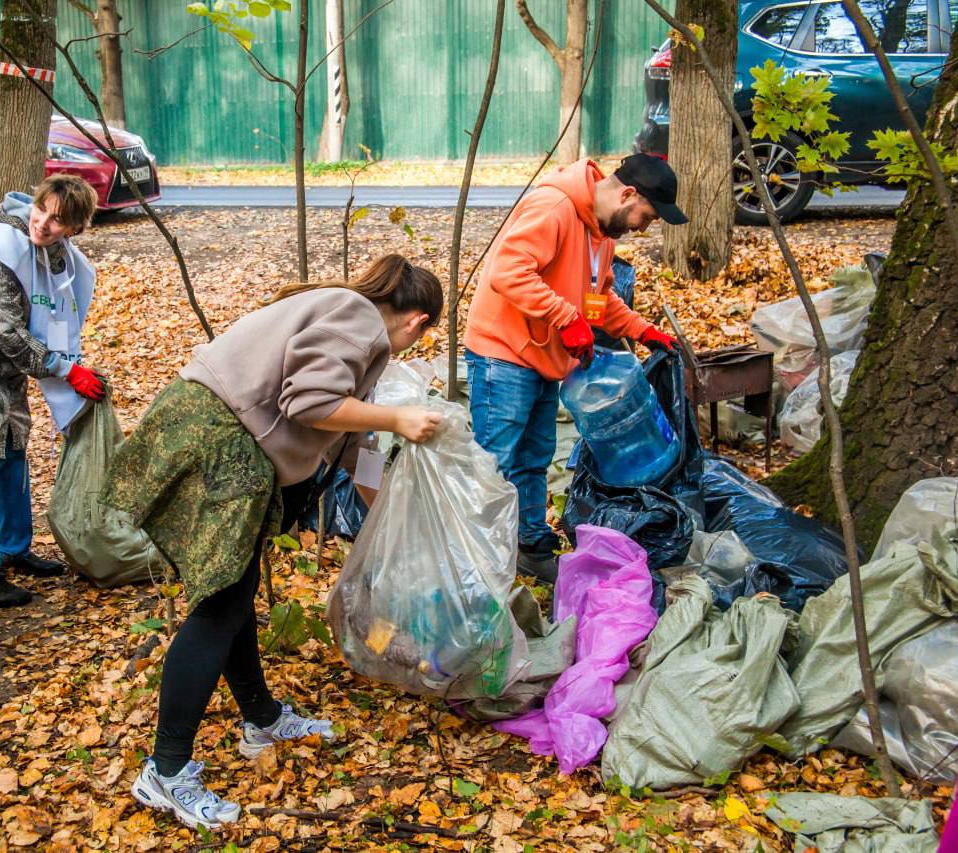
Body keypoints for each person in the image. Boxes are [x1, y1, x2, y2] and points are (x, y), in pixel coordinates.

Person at [109, 254, 444, 830]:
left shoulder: (350, 327)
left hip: (224, 443)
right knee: (221, 606)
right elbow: (309, 403)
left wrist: (388, 522)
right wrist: (400, 418)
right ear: (418, 322)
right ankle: (165, 772)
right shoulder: (356, 316)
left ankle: (260, 717)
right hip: (217, 441)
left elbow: (351, 441)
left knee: (231, 599)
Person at [463, 153, 687, 579]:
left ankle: (529, 546)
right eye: (648, 215)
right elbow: (508, 272)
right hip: (503, 351)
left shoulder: (602, 231)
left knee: (534, 458)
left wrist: (642, 331)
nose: (645, 226)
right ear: (628, 194)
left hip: (546, 357)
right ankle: (480, 563)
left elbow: (597, 300)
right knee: (497, 461)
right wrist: (565, 318)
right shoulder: (554, 207)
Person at [0, 175, 107, 608]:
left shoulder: (56, 253)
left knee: (13, 448)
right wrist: (64, 371)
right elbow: (9, 332)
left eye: (58, 221)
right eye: (42, 211)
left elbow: (57, 310)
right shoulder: (1, 246)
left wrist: (68, 362)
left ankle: (14, 547)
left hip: (10, 368)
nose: (44, 224)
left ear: (74, 228)